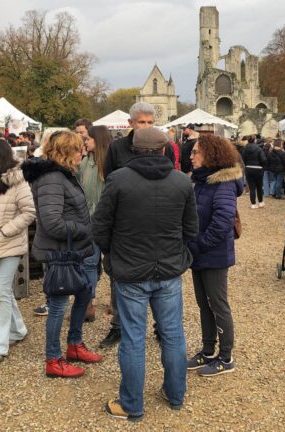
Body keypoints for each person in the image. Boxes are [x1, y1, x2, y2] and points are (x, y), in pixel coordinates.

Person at [93, 127, 197, 421]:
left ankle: (133, 404)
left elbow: (100, 228)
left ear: (135, 150)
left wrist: (113, 257)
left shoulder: (119, 180)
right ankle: (175, 394)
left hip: (133, 272)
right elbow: (192, 230)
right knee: (173, 334)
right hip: (162, 271)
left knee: (134, 338)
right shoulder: (180, 182)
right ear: (164, 149)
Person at [22, 131, 103, 379]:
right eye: (78, 149)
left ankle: (74, 345)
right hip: (60, 252)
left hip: (73, 250)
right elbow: (51, 222)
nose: (83, 152)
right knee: (58, 304)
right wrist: (84, 229)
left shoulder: (65, 175)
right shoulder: (52, 179)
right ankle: (53, 358)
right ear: (66, 152)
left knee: (85, 291)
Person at [99, 102, 175, 348]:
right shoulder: (117, 148)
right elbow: (110, 181)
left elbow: (171, 178)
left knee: (163, 284)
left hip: (158, 222)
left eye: (150, 122)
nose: (146, 127)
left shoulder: (165, 147)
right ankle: (119, 326)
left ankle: (161, 328)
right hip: (126, 225)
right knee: (119, 280)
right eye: (142, 122)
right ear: (130, 123)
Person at [186, 134, 243, 376]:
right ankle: (208, 350)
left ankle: (226, 356)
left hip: (214, 255)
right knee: (203, 304)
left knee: (218, 305)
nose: (191, 156)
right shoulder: (202, 181)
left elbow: (222, 223)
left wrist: (197, 246)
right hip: (199, 254)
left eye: (196, 152)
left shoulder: (223, 183)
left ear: (210, 155)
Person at [0, 139, 36, 363]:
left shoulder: (18, 182)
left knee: (1, 292)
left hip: (10, 244)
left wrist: (6, 230)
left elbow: (29, 212)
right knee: (4, 291)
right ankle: (18, 329)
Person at [79, 125, 112, 322]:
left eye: (89, 138)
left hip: (107, 222)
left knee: (113, 265)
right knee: (89, 263)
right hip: (89, 222)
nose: (85, 141)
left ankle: (115, 302)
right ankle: (89, 302)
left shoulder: (109, 164)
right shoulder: (85, 163)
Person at [242, 135, 267, 209]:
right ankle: (261, 202)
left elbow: (243, 158)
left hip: (249, 168)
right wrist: (263, 166)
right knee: (259, 187)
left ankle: (253, 204)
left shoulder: (245, 148)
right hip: (258, 169)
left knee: (252, 188)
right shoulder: (259, 149)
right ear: (255, 140)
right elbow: (263, 159)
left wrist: (247, 164)